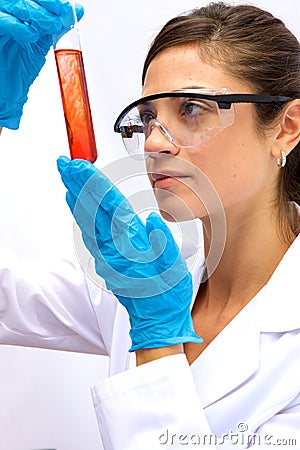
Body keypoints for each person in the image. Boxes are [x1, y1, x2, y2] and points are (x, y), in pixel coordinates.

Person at [1, 1, 300, 450]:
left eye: (193, 109)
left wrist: (158, 341)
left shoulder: (149, 296)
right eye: (148, 117)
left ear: (286, 127)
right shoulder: (148, 273)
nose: (155, 141)